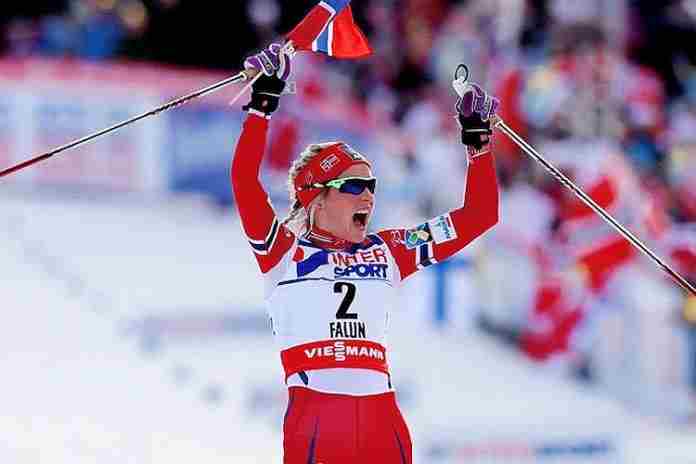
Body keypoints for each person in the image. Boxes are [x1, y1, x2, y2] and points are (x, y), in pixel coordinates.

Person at [231, 44, 500, 464]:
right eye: (354, 187)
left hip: (381, 416)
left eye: (371, 186)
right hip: (317, 415)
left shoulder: (390, 250)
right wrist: (263, 101)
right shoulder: (282, 252)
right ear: (315, 199)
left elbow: (479, 216)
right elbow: (245, 182)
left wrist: (478, 143)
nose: (369, 198)